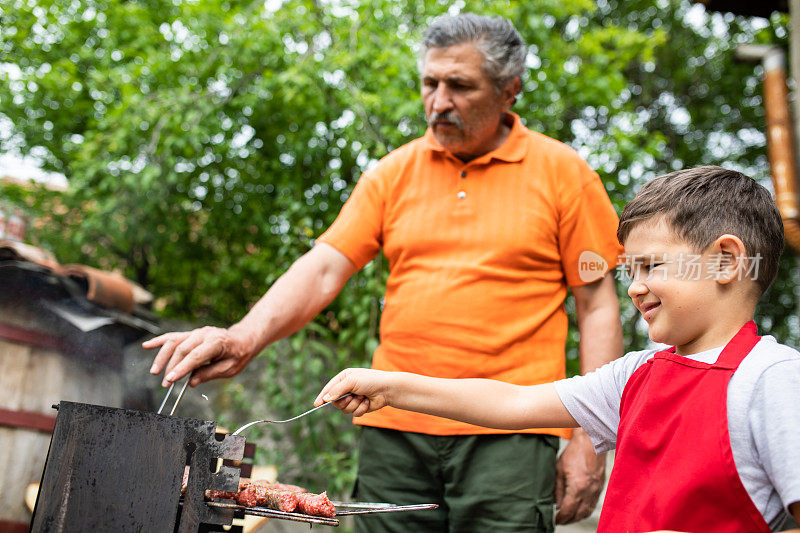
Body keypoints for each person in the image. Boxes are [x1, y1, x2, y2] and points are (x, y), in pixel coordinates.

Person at [145, 13, 623, 531]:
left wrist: (589, 439)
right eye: (430, 83)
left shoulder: (565, 174)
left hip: (509, 434)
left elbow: (597, 306)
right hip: (394, 429)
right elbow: (326, 266)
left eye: (460, 86)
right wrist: (243, 339)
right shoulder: (393, 173)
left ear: (510, 91)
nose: (439, 102)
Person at [315, 166, 800, 532]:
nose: (634, 288)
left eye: (651, 265)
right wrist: (390, 386)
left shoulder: (772, 380)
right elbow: (514, 402)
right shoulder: (635, 374)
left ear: (726, 262)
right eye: (631, 271)